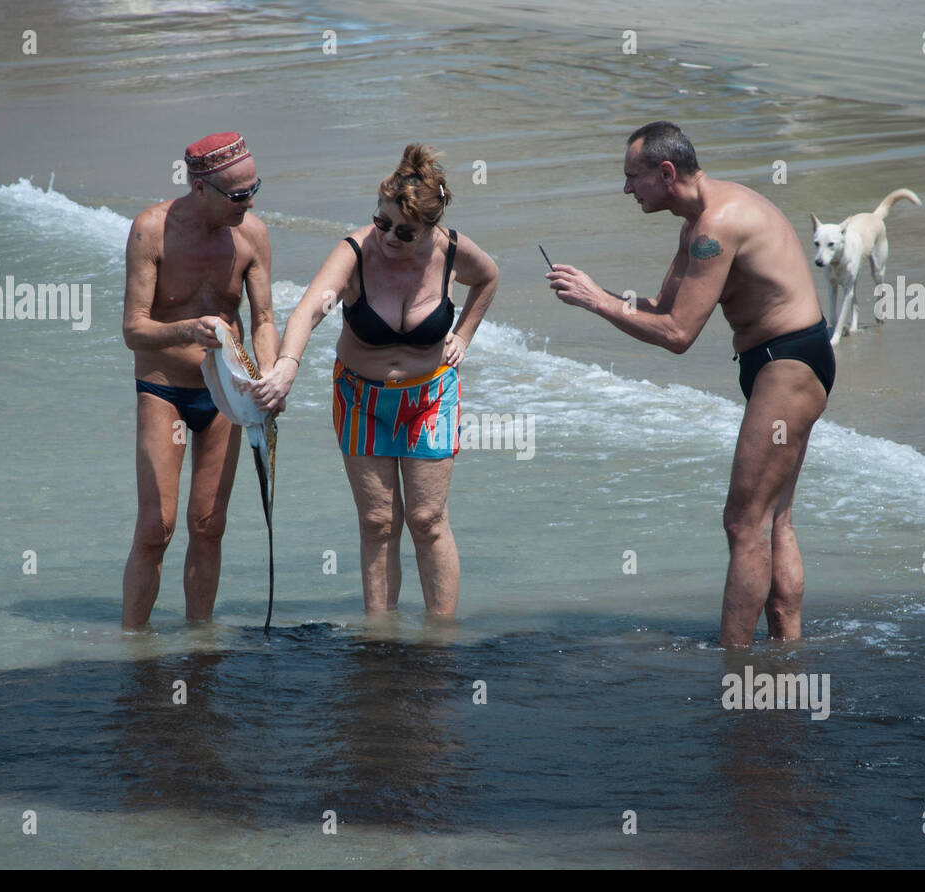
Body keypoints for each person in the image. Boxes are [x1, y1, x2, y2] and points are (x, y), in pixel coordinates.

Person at [547, 121, 834, 646]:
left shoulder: (716, 226)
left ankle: (735, 663)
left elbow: (678, 334)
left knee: (743, 523)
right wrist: (593, 291)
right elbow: (662, 310)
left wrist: (598, 302)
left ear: (665, 172)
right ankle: (786, 651)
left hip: (788, 363)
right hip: (785, 358)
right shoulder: (698, 222)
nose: (627, 189)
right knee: (775, 520)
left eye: (633, 177)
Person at [253, 144, 498, 617]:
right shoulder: (356, 252)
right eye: (381, 222)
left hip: (429, 397)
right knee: (378, 521)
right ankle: (380, 638)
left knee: (427, 520)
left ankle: (439, 640)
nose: (387, 237)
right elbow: (308, 310)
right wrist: (287, 366)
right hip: (360, 398)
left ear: (431, 227)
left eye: (403, 232)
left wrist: (464, 334)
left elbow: (489, 279)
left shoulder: (452, 253)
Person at [120, 132, 277, 627]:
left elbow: (264, 319)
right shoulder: (152, 229)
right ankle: (133, 645)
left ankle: (199, 645)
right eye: (236, 195)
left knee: (208, 525)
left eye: (254, 190)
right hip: (164, 387)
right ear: (199, 187)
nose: (247, 203)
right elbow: (133, 330)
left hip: (226, 395)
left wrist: (269, 377)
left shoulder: (252, 234)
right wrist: (187, 329)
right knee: (156, 527)